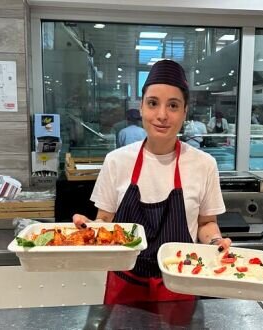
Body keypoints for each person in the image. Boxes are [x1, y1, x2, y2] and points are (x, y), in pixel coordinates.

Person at [73, 59, 231, 304]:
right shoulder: (116, 161)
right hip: (124, 283)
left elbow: (206, 223)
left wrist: (216, 242)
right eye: (153, 103)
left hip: (180, 282)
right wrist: (88, 229)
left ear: (185, 111)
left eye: (173, 105)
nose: (162, 115)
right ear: (142, 107)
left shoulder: (204, 164)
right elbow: (105, 221)